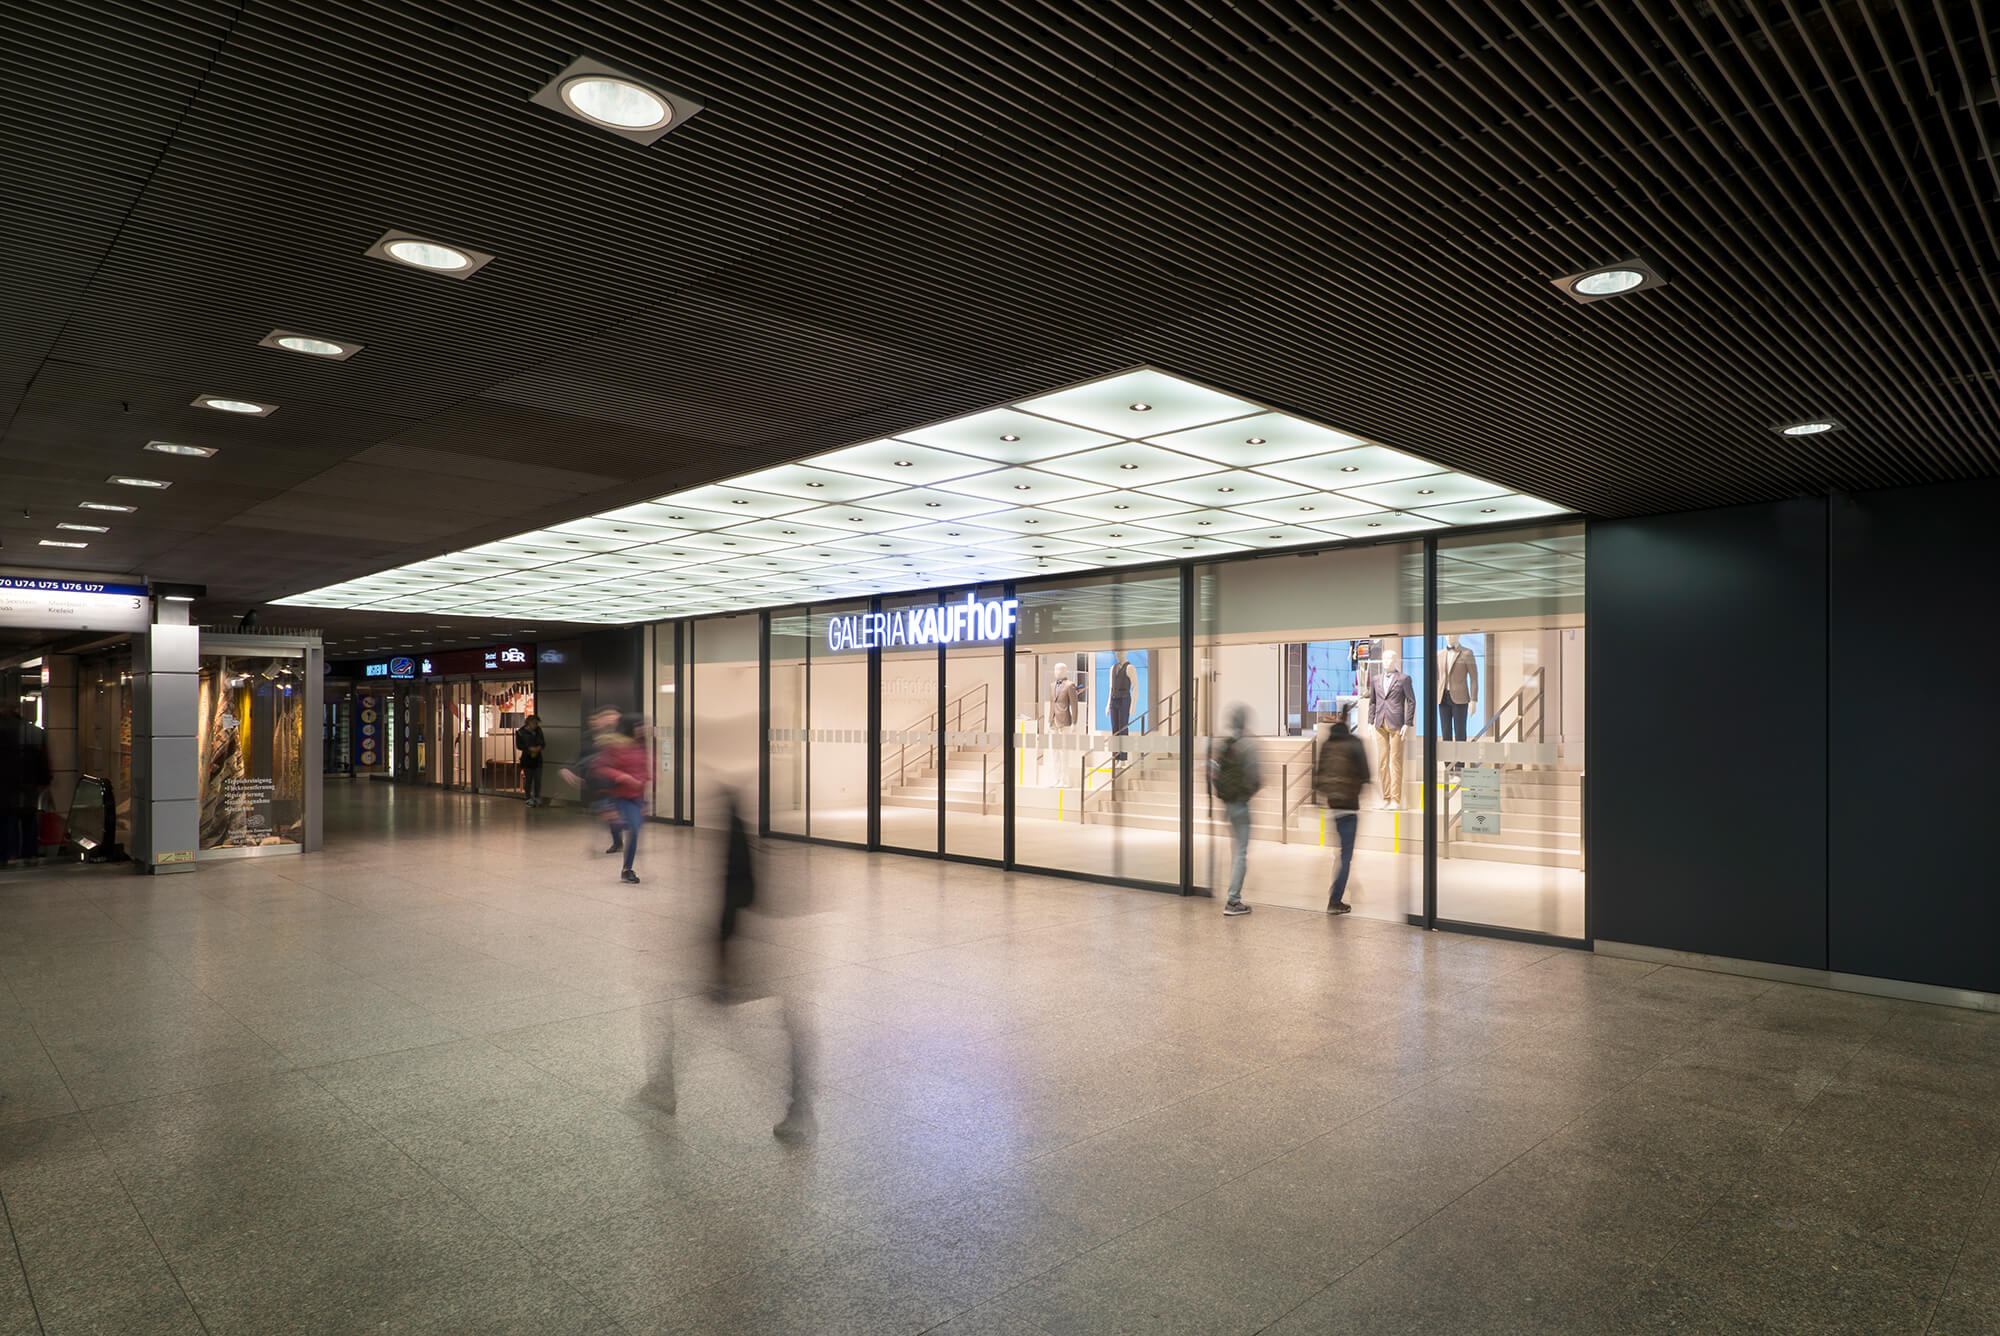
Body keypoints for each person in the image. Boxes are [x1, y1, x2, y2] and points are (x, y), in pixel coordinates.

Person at [1312, 708, 1370, 914]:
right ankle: (1335, 900)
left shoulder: (1328, 744)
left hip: (1333, 805)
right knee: (1346, 856)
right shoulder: (1354, 744)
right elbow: (1365, 775)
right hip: (1349, 807)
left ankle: (1336, 891)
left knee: (1340, 854)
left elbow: (1318, 775)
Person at [1207, 704, 1261, 916]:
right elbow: (1256, 777)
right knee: (1240, 852)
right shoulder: (1248, 745)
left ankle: (1233, 894)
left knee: (1235, 850)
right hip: (1240, 804)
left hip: (1228, 804)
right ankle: (1233, 900)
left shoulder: (1224, 744)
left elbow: (1213, 772)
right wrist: (1247, 794)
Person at [0, 701, 51, 868]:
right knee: (29, 818)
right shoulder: (33, 732)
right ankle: (30, 855)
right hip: (29, 784)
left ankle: (8, 856)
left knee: (7, 820)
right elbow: (43, 759)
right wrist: (44, 780)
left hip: (5, 785)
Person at [515, 714, 546, 806]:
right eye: (534, 723)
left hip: (537, 758)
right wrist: (529, 748)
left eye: (537, 723)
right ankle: (528, 797)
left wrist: (539, 747)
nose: (535, 725)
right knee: (528, 779)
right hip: (527, 759)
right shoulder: (521, 732)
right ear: (528, 723)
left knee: (538, 779)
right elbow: (519, 745)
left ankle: (537, 797)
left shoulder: (538, 731)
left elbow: (543, 743)